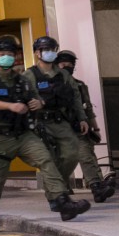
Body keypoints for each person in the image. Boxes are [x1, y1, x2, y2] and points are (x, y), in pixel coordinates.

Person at [0, 36, 91, 232]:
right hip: (1, 138)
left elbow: (37, 100)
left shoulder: (22, 80)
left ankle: (61, 201)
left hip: (24, 135)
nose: (7, 58)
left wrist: (38, 104)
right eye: (2, 55)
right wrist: (11, 106)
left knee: (46, 160)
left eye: (10, 55)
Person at [24, 36, 90, 204]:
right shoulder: (29, 75)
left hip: (61, 121)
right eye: (46, 50)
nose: (50, 53)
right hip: (39, 122)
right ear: (37, 53)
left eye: (53, 50)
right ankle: (57, 195)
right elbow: (23, 99)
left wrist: (82, 118)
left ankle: (56, 188)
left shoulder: (62, 74)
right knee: (49, 159)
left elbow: (75, 96)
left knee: (71, 154)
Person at [55, 50, 116, 202]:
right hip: (55, 128)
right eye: (63, 63)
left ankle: (96, 187)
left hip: (77, 127)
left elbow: (87, 108)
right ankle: (59, 188)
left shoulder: (80, 85)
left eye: (70, 64)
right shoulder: (48, 84)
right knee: (60, 160)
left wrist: (95, 128)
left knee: (85, 154)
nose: (66, 66)